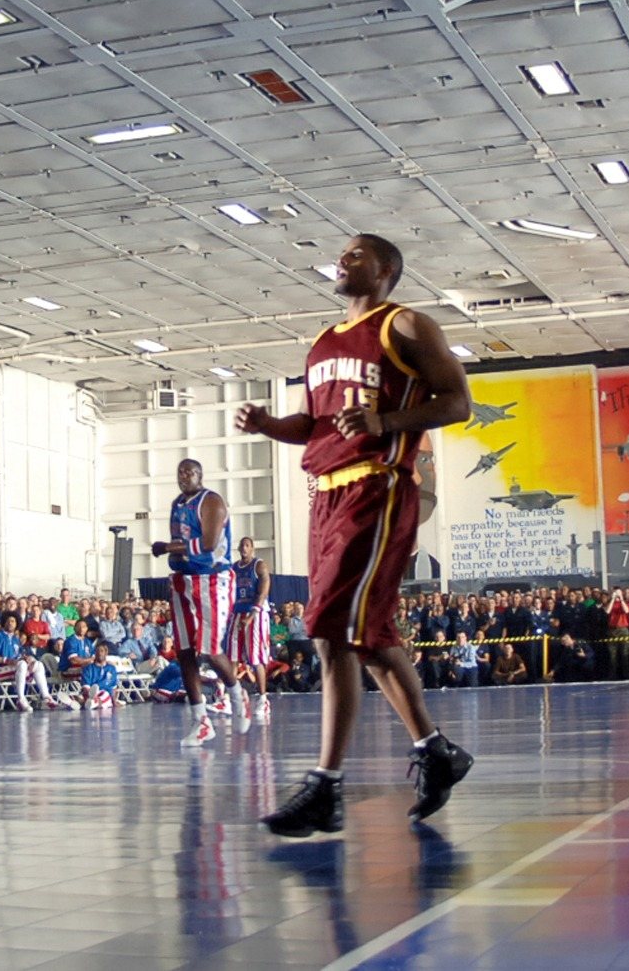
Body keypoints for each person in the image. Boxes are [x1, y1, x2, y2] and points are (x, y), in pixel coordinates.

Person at [235, 236, 474, 836]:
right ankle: (434, 750)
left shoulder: (406, 325)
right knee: (364, 634)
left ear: (386, 270)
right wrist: (269, 425)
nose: (342, 262)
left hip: (379, 487)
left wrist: (387, 422)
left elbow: (459, 403)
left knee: (331, 631)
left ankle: (326, 784)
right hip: (327, 491)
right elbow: (315, 425)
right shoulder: (323, 343)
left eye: (356, 255)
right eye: (340, 256)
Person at [152, 459, 243, 747]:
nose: (183, 476)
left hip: (212, 580)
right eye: (179, 471)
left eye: (189, 472)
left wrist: (167, 548)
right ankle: (201, 721)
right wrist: (172, 552)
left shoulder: (212, 501)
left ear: (200, 475)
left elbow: (208, 543)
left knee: (211, 651)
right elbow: (181, 541)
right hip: (183, 579)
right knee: (185, 652)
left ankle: (238, 695)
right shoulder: (178, 503)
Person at [228, 536, 273, 727]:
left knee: (256, 658)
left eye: (248, 545)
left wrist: (253, 613)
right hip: (238, 612)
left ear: (252, 548)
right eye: (242, 545)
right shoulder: (233, 568)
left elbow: (263, 591)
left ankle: (263, 699)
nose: (244, 548)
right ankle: (232, 697)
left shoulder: (259, 565)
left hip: (256, 612)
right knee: (232, 656)